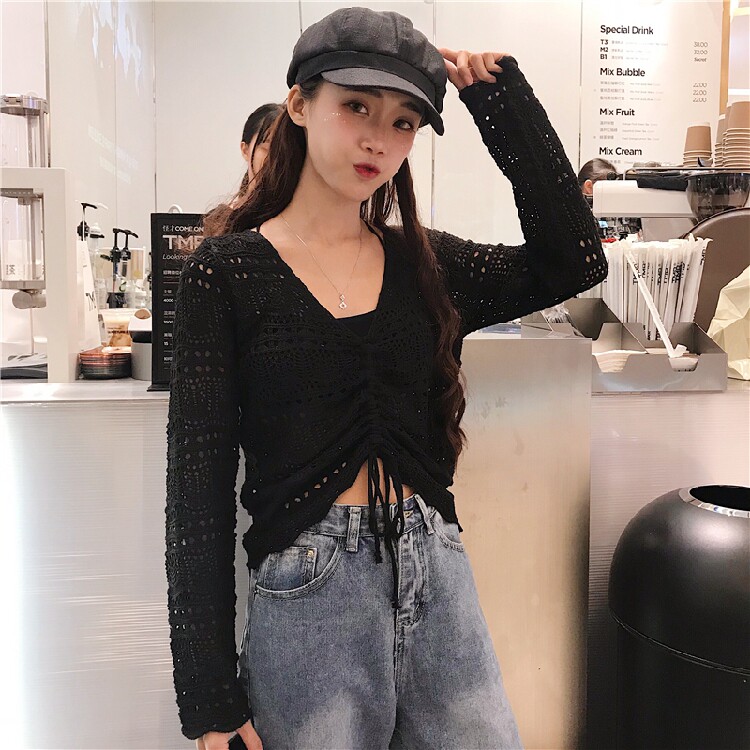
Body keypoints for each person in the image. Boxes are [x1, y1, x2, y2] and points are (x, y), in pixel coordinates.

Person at [166, 8, 607, 750]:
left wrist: (501, 104)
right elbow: (196, 490)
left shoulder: (424, 264)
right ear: (300, 104)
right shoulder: (226, 273)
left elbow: (575, 260)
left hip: (437, 573)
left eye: (404, 122)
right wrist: (208, 695)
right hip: (310, 598)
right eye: (357, 107)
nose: (379, 138)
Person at [203, 102, 284, 236]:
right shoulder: (220, 220)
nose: (277, 157)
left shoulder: (298, 216)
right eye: (268, 147)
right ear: (245, 149)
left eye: (285, 149)